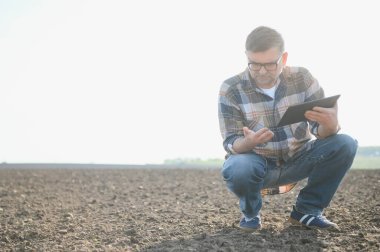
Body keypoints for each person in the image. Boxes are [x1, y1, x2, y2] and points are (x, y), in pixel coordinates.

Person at [218, 26, 358, 232]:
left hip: (298, 159)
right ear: (247, 57)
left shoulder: (302, 78)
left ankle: (307, 211)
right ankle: (250, 214)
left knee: (345, 143)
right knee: (238, 166)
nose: (262, 72)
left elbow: (319, 130)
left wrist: (331, 126)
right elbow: (230, 141)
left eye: (269, 65)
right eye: (254, 65)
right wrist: (247, 143)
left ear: (283, 58)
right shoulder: (231, 88)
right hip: (256, 164)